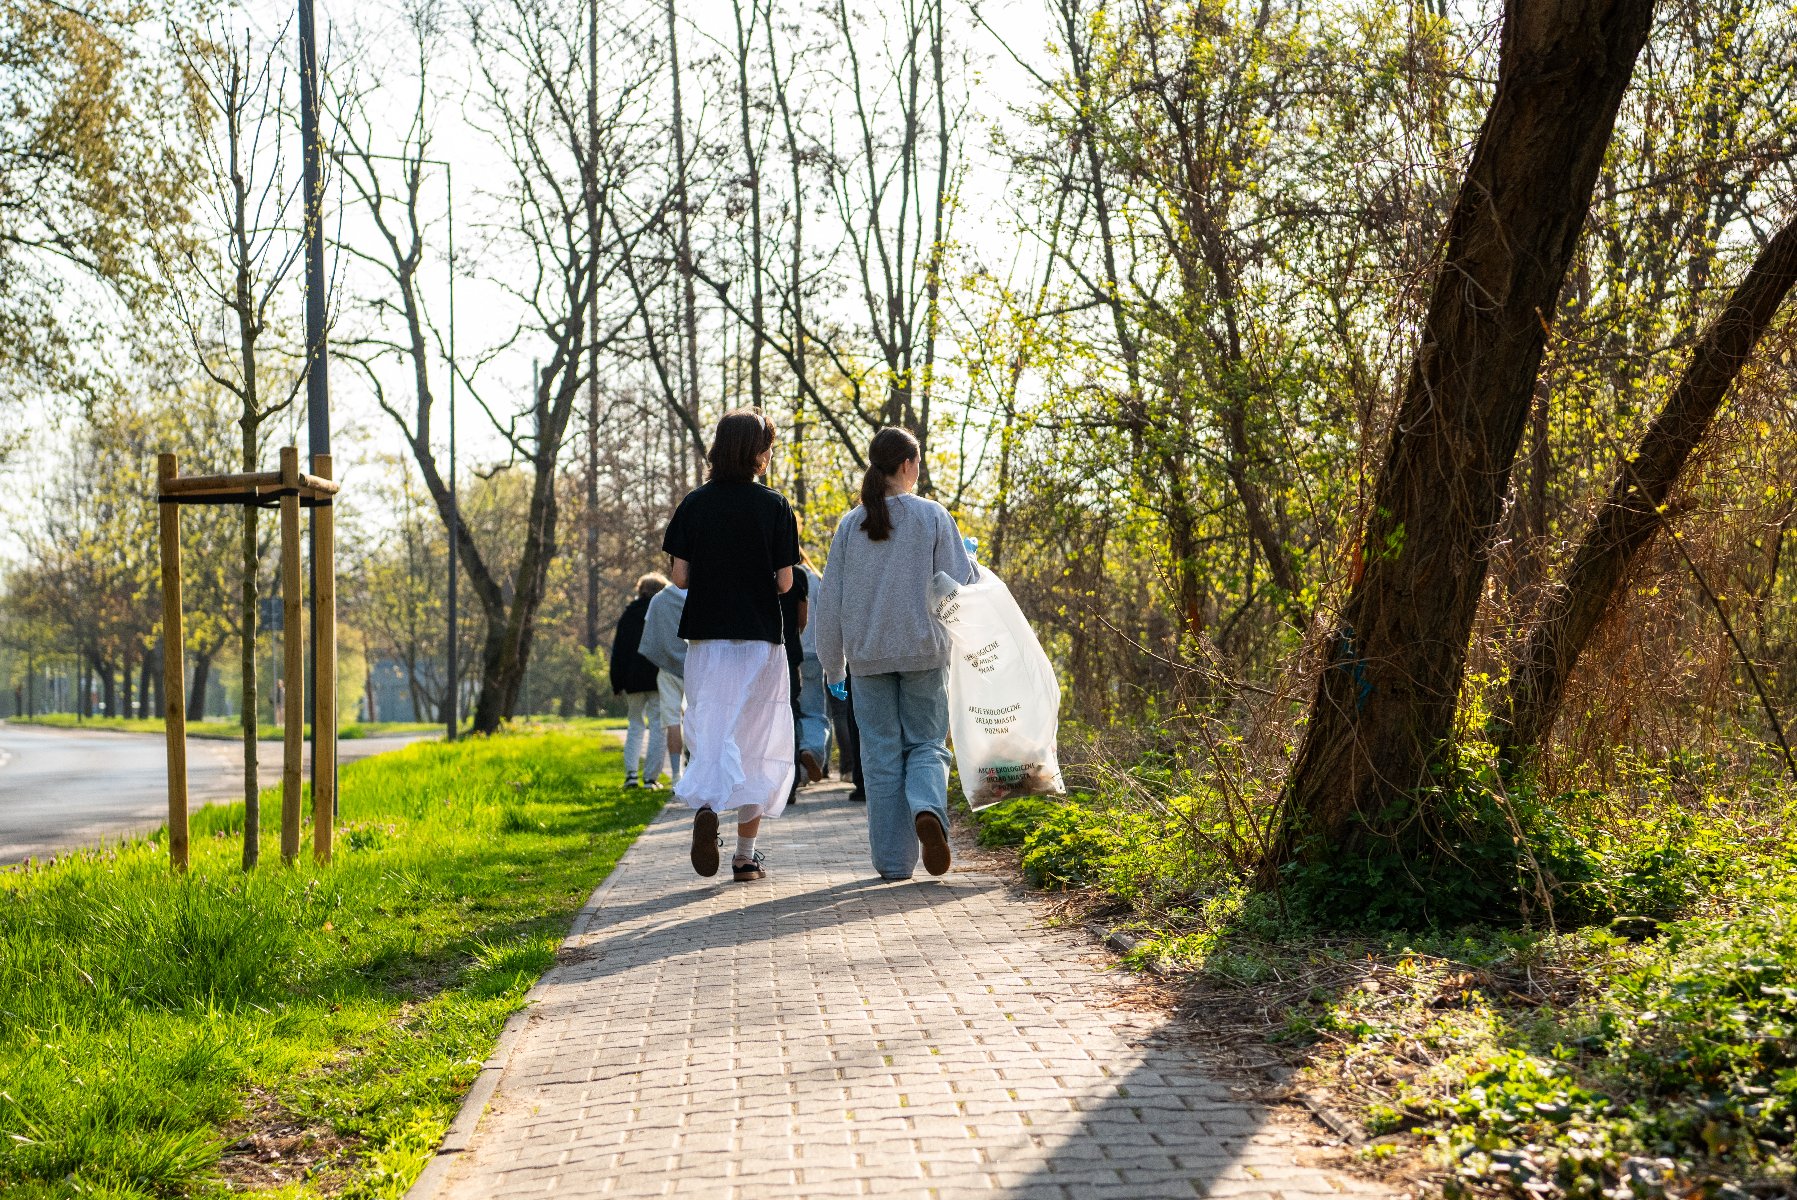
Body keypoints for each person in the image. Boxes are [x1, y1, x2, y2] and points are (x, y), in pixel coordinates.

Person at [815, 427, 974, 881]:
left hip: (868, 661)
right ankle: (927, 807)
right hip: (925, 653)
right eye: (918, 462)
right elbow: (957, 587)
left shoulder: (851, 524)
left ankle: (891, 863)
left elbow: (831, 601)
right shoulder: (933, 517)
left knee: (880, 758)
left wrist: (833, 664)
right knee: (926, 744)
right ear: (907, 465)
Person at [662, 408, 801, 883]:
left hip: (707, 637)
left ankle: (705, 806)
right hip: (761, 637)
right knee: (758, 741)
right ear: (759, 452)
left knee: (713, 729)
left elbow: (679, 577)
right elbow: (785, 583)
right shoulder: (776, 506)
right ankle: (745, 855)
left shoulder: (694, 504)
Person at [609, 573, 668, 787]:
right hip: (657, 677)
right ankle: (651, 778)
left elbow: (619, 651)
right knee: (657, 726)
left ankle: (630, 776)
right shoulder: (663, 613)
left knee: (634, 725)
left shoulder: (628, 615)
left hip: (632, 679)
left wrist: (616, 682)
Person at [639, 574, 689, 788]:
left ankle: (676, 774)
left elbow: (650, 634)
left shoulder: (659, 600)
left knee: (672, 722)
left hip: (668, 669)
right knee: (697, 719)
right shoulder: (699, 594)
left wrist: (665, 655)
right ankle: (696, 768)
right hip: (696, 665)